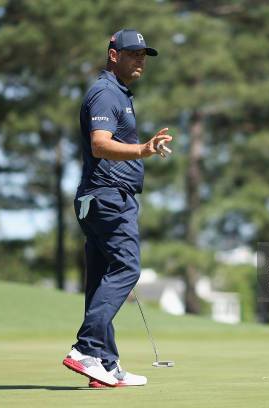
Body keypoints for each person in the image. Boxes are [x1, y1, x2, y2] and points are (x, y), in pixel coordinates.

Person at [62, 29, 172, 388]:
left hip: (99, 198)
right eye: (133, 53)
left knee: (99, 281)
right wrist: (143, 149)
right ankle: (86, 349)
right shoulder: (105, 93)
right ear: (113, 55)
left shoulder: (117, 93)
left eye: (144, 54)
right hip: (108, 196)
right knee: (127, 267)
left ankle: (104, 366)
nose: (140, 60)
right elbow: (99, 145)